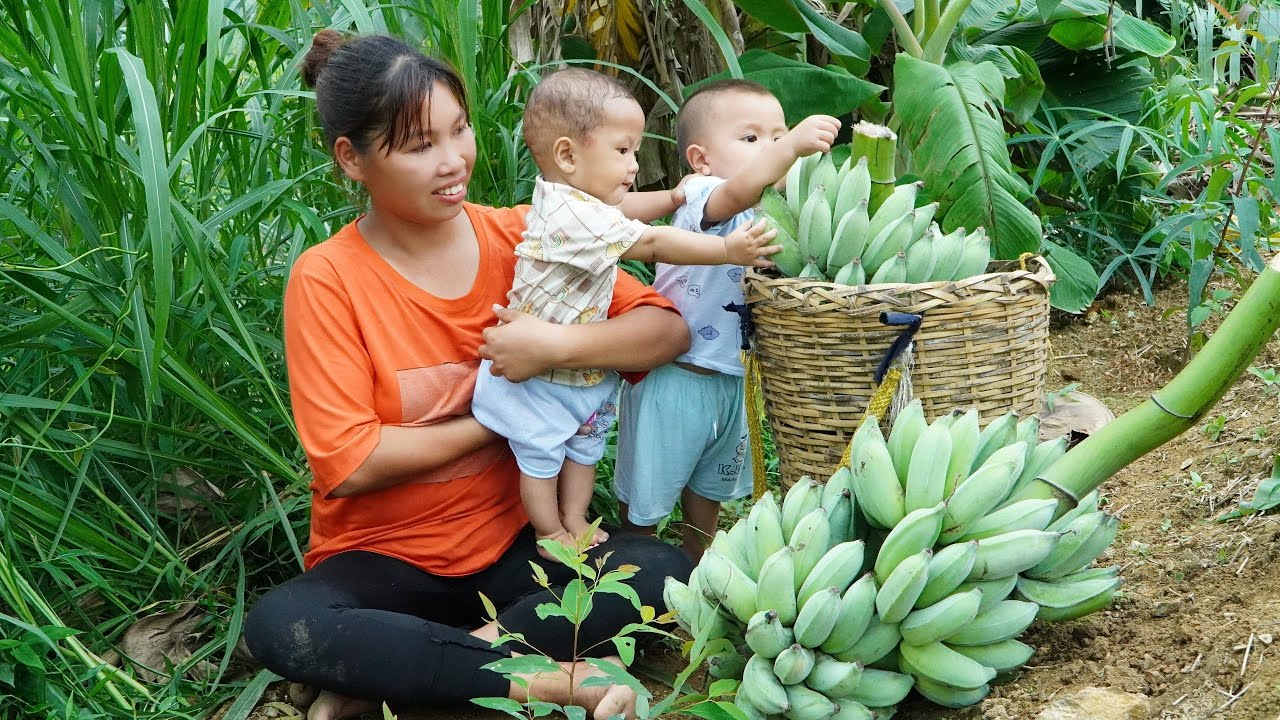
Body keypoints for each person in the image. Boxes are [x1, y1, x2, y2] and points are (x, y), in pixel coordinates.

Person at [243, 31, 695, 720]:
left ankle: (413, 671)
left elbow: (664, 331)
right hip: (384, 561)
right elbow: (355, 460)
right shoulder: (328, 278)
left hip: (514, 547)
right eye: (421, 145)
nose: (453, 161)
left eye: (460, 131)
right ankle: (549, 681)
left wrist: (548, 348)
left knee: (661, 572)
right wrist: (498, 417)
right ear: (351, 159)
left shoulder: (527, 237)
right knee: (284, 624)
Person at [471, 68, 779, 561]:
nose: (634, 163)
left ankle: (574, 518)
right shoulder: (572, 214)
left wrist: (676, 197)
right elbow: (652, 239)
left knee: (583, 450)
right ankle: (549, 530)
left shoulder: (576, 200)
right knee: (541, 454)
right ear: (568, 155)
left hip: (579, 368)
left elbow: (630, 208)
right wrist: (725, 249)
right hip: (539, 375)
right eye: (622, 151)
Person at [614, 79, 841, 559]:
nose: (773, 148)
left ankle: (700, 569)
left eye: (778, 136)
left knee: (709, 490)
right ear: (701, 159)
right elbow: (740, 191)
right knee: (645, 504)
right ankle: (632, 574)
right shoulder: (705, 195)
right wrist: (793, 145)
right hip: (674, 379)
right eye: (751, 138)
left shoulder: (778, 212)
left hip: (730, 381)